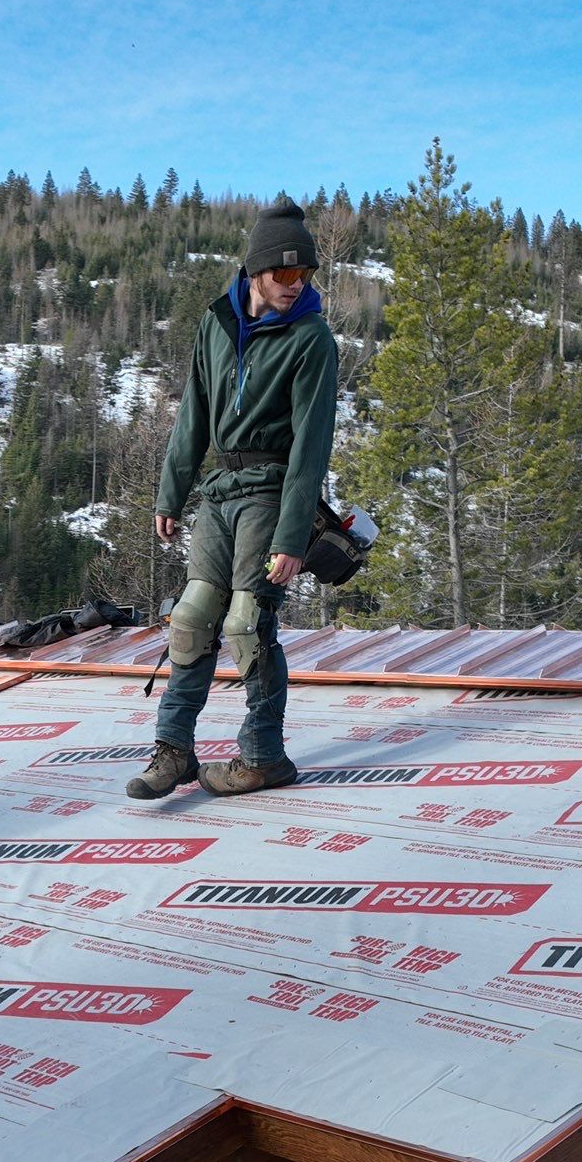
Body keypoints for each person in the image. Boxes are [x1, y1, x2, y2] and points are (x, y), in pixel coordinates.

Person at [126, 197, 340, 801]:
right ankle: (173, 752)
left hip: (273, 491)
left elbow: (311, 444)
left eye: (306, 275)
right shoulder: (216, 324)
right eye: (285, 274)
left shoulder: (311, 339)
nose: (296, 286)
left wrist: (292, 536)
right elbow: (193, 411)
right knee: (192, 619)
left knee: (249, 623)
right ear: (256, 271)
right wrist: (172, 491)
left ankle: (263, 757)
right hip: (220, 490)